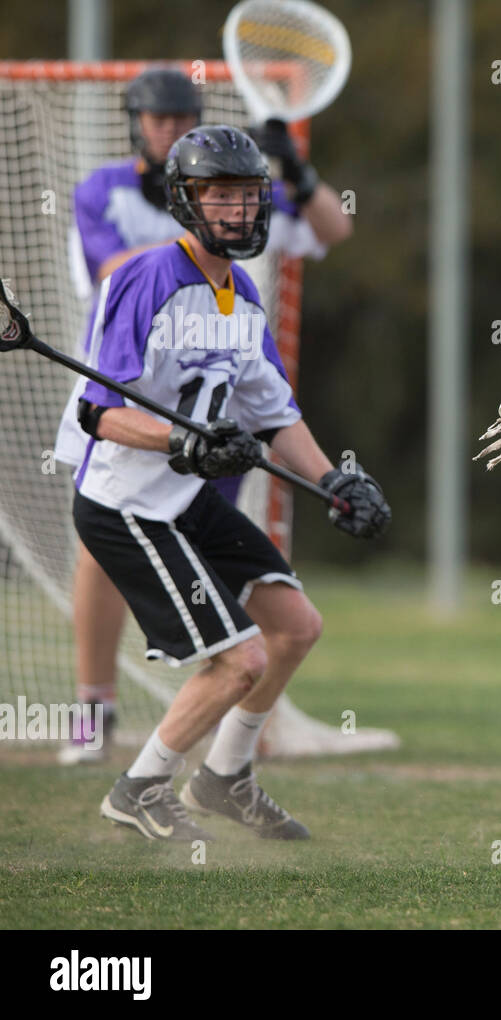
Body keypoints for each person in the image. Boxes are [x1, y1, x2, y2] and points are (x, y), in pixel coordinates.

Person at [73, 125, 389, 841]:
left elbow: (275, 415)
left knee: (295, 627)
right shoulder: (147, 278)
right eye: (221, 197)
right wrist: (181, 438)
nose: (239, 212)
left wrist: (335, 480)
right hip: (128, 505)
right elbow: (100, 414)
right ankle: (140, 788)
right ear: (187, 202)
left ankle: (224, 778)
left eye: (248, 197)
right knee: (238, 659)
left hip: (185, 499)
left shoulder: (240, 292)